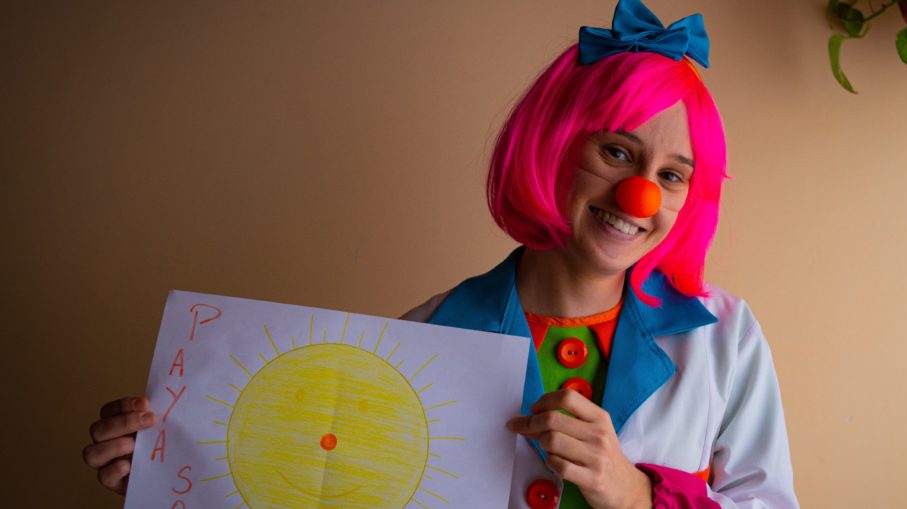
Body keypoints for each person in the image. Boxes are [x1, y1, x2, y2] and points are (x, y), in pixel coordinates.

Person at [82, 1, 799, 507]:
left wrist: (640, 496)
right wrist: (170, 470)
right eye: (616, 151)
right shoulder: (420, 339)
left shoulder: (725, 340)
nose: (641, 194)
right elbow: (330, 493)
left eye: (672, 175)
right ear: (555, 145)